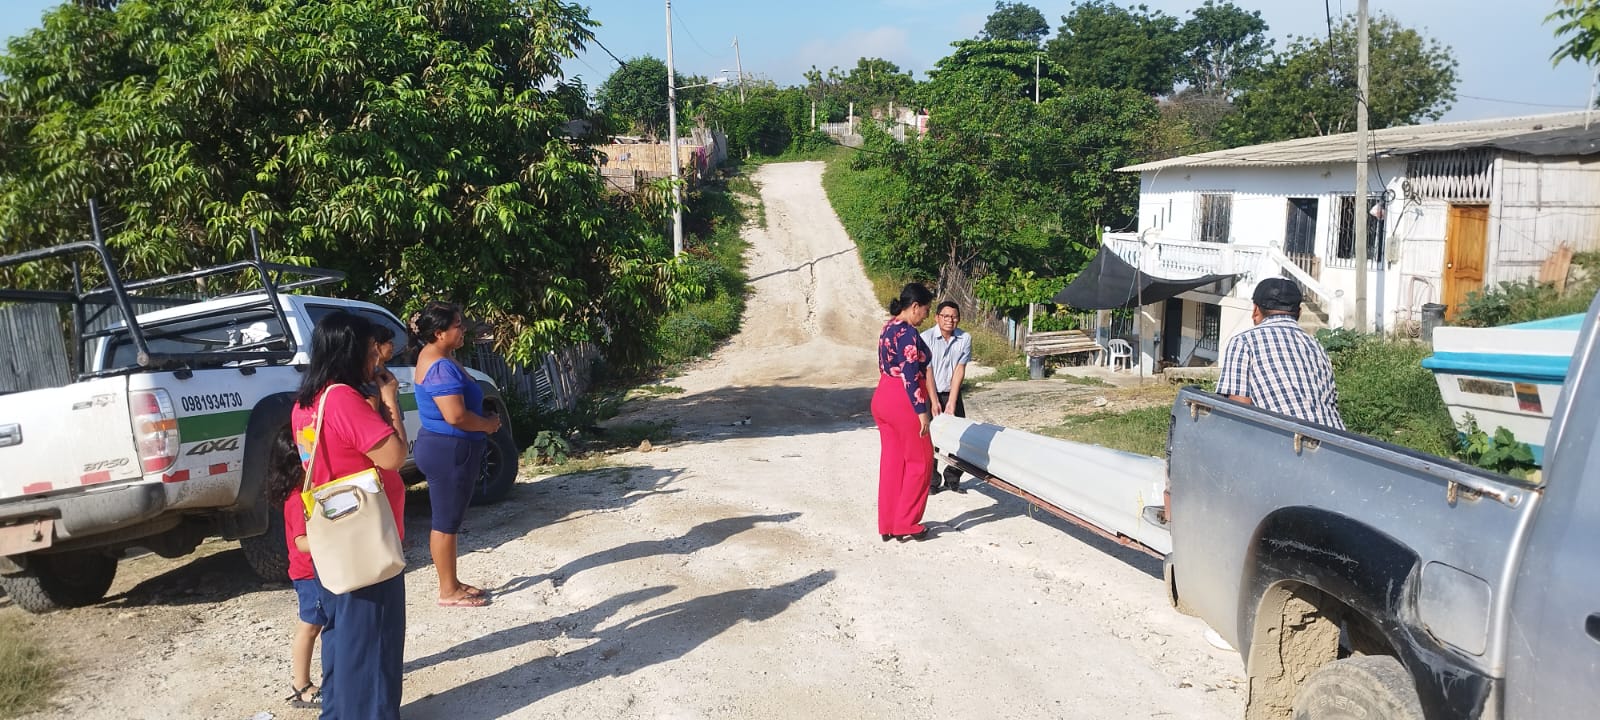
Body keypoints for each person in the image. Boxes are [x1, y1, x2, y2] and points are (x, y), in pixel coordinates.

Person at [290, 310, 409, 720]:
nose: (376, 358)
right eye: (372, 349)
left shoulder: (306, 402)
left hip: (333, 537)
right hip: (365, 537)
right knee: (374, 637)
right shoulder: (343, 398)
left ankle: (340, 712)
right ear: (353, 350)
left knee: (343, 636)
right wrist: (390, 401)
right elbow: (394, 456)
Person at [410, 302, 500, 607]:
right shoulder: (439, 366)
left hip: (447, 447)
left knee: (449, 519)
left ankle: (452, 582)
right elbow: (456, 416)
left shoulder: (440, 357)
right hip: (449, 449)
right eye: (457, 326)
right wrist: (487, 425)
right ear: (439, 333)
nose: (463, 330)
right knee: (445, 522)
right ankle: (448, 591)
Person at [1216, 278, 1345, 429]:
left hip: (1286, 438)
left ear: (1255, 310)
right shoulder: (1315, 345)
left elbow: (1238, 409)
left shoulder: (1244, 342)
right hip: (1336, 437)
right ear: (1299, 313)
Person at [873, 283, 940, 542]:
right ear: (914, 307)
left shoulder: (888, 327)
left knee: (892, 462)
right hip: (904, 400)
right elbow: (910, 375)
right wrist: (921, 411)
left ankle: (888, 522)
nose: (926, 316)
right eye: (926, 310)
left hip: (883, 394)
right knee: (920, 461)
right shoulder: (908, 333)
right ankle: (906, 522)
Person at [271, 433, 324, 709]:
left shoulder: (308, 491)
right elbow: (301, 541)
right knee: (310, 626)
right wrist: (331, 539)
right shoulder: (297, 499)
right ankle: (301, 684)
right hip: (308, 574)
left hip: (319, 569)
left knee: (320, 623)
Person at [921, 300, 971, 495]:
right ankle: (932, 481)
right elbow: (927, 370)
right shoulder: (925, 338)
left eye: (954, 317)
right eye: (946, 316)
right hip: (930, 391)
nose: (950, 320)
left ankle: (953, 477)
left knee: (960, 436)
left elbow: (960, 369)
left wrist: (952, 400)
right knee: (929, 437)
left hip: (952, 392)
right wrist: (934, 401)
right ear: (937, 318)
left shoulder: (964, 338)